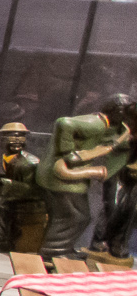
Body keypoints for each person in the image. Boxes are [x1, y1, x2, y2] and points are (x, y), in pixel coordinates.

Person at [38, 95, 137, 257]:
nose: (127, 119)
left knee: (79, 216)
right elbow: (64, 123)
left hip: (68, 179)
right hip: (63, 178)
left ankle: (62, 249)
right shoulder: (96, 123)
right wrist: (67, 151)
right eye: (126, 114)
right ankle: (53, 251)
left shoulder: (107, 126)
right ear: (118, 112)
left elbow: (110, 141)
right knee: (73, 216)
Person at [0, 121, 45, 253]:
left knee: (0, 203)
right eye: (12, 136)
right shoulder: (10, 157)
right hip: (18, 193)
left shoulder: (29, 163)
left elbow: (30, 188)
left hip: (31, 198)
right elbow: (13, 178)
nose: (17, 140)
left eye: (21, 137)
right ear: (2, 139)